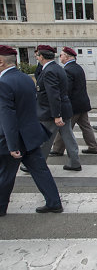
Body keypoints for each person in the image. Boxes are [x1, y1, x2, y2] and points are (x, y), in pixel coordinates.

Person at [0, 45, 63, 215]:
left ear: (1, 62)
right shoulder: (26, 79)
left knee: (5, 174)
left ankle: (1, 207)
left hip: (13, 138)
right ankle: (54, 202)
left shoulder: (3, 83)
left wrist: (12, 146)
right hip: (30, 134)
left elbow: (7, 117)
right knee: (40, 170)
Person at [35, 45, 82, 171]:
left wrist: (56, 115)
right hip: (63, 109)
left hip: (52, 112)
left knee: (44, 139)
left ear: (42, 57)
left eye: (37, 55)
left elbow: (53, 95)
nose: (36, 57)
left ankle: (37, 164)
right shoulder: (57, 68)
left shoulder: (49, 71)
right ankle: (74, 162)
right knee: (68, 137)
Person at [51, 47, 97, 156]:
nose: (60, 57)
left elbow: (66, 90)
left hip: (73, 105)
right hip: (82, 103)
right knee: (86, 127)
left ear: (67, 57)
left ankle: (57, 149)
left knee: (64, 128)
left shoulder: (67, 69)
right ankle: (93, 146)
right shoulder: (77, 67)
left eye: (62, 55)